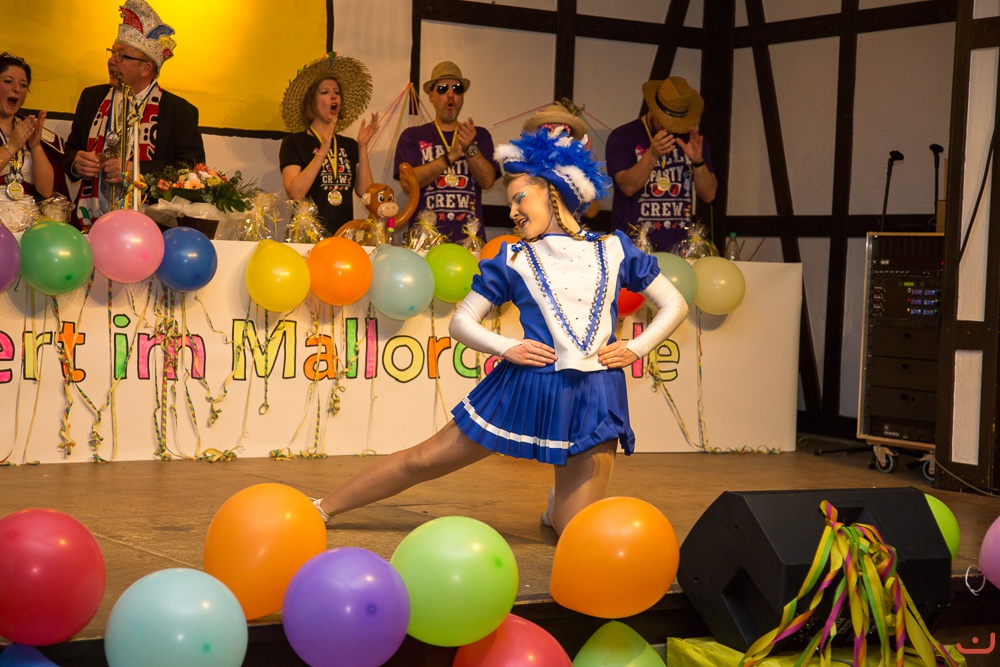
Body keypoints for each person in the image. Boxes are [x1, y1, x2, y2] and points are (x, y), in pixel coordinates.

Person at [311, 129, 689, 535]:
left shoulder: (614, 248)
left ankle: (558, 509)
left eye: (519, 198)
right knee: (425, 459)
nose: (512, 212)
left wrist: (637, 347)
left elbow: (675, 302)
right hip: (524, 386)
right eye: (509, 203)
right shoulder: (512, 256)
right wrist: (508, 347)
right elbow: (461, 322)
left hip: (594, 396)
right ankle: (322, 507)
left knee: (575, 530)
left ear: (554, 192)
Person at [63, 0, 205, 229]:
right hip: (92, 221)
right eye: (112, 52)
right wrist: (76, 162)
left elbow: (189, 171)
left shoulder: (179, 111)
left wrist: (134, 170)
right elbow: (70, 151)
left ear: (146, 68)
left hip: (153, 225)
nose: (111, 61)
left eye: (122, 56)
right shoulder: (91, 98)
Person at [606, 76, 718, 252]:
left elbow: (709, 194)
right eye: (664, 120)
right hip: (632, 248)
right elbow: (627, 187)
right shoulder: (623, 136)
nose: (671, 128)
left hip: (680, 248)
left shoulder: (691, 139)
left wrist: (698, 162)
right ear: (653, 109)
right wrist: (652, 154)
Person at [393, 61, 499, 243]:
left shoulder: (478, 135)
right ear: (431, 96)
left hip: (469, 242)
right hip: (424, 242)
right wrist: (451, 156)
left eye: (457, 89)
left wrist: (470, 148)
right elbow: (408, 184)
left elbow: (487, 181)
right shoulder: (412, 136)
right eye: (442, 88)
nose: (450, 94)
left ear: (462, 97)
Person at [279, 52, 379, 235]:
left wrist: (362, 147)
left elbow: (365, 192)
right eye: (325, 92)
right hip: (306, 236)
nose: (333, 96)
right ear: (311, 102)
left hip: (343, 234)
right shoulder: (293, 142)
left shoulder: (349, 145)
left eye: (337, 92)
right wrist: (322, 151)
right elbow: (295, 192)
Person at [0, 52, 65, 231]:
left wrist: (35, 146)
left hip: (29, 228)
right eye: (8, 81)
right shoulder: (17, 138)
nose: (16, 89)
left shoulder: (27, 129)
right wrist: (12, 146)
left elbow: (46, 191)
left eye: (23, 85)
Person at [522, 99, 600, 219]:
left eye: (563, 130)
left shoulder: (577, 167)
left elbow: (591, 212)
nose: (555, 134)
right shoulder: (523, 163)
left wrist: (584, 166)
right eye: (547, 129)